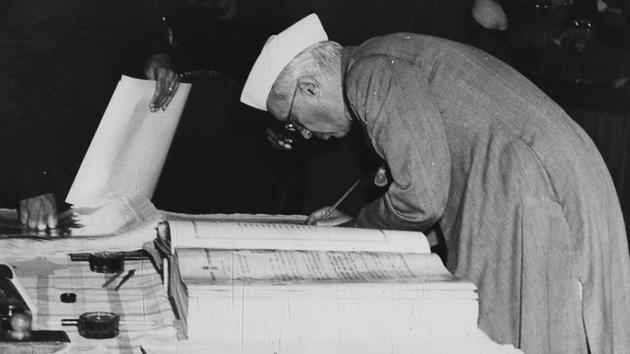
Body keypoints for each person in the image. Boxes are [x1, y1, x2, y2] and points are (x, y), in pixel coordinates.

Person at [239, 14, 630, 353]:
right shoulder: (377, 58)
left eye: (292, 121)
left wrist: (357, 231)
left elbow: (421, 199)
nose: (302, 134)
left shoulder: (367, 73)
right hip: (539, 180)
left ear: (309, 87)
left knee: (522, 339)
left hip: (529, 192)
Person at [0, 0, 179, 230]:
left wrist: (156, 54)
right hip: (39, 177)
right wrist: (30, 185)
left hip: (100, 173)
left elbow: (138, 21)